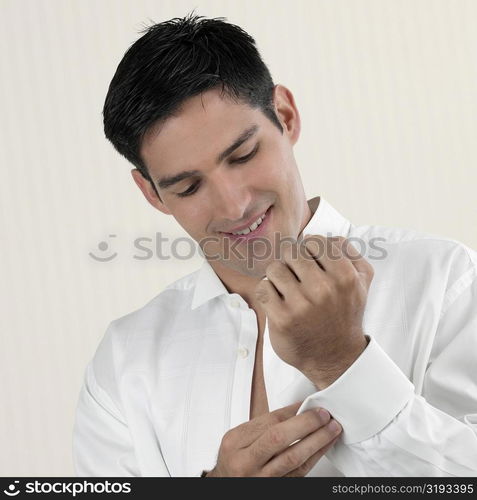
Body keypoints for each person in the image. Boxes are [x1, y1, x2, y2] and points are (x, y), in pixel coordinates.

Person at [73, 13, 477, 477]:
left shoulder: (448, 281)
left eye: (243, 155)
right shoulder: (125, 361)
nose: (234, 206)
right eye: (188, 187)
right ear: (152, 194)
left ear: (285, 116)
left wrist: (343, 363)